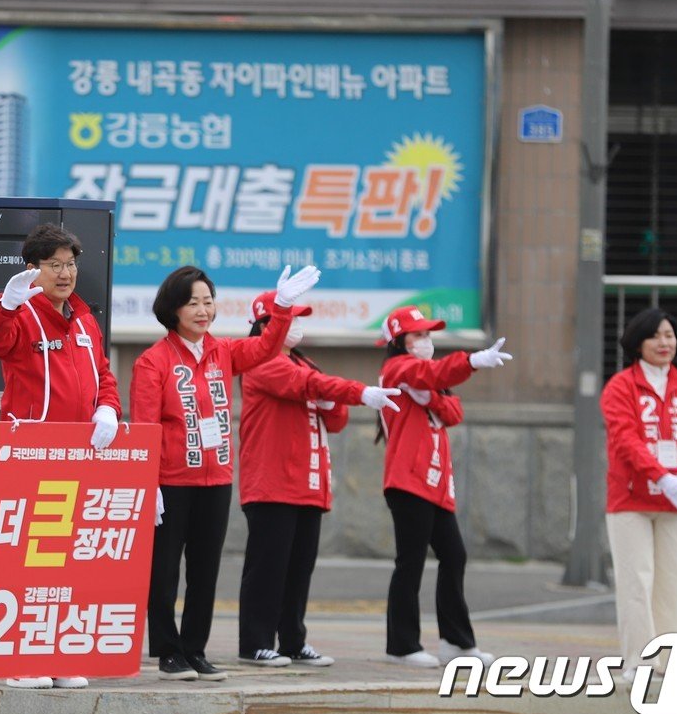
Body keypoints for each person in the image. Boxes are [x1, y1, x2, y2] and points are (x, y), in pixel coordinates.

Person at [131, 264, 319, 681]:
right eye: (192, 302)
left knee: (205, 571)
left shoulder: (224, 352)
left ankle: (195, 649)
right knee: (163, 571)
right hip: (170, 483)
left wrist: (282, 307)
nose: (203, 310)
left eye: (208, 301)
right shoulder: (152, 362)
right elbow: (146, 427)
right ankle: (167, 650)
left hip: (215, 481)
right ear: (173, 309)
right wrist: (148, 484)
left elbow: (267, 347)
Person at [0, 223, 122, 690]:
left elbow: (103, 373)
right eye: (54, 264)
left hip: (77, 455)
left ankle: (56, 654)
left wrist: (109, 410)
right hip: (29, 454)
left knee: (64, 563)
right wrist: (8, 302)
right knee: (25, 560)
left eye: (70, 264)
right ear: (33, 270)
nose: (65, 273)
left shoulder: (82, 318)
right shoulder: (21, 313)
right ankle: (17, 661)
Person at [236, 291, 399, 669]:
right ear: (267, 323)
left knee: (298, 567)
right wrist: (357, 392)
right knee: (268, 567)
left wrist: (334, 399)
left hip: (308, 483)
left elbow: (336, 420)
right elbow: (306, 385)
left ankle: (293, 640)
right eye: (291, 318)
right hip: (272, 481)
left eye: (299, 318)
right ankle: (255, 642)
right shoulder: (262, 358)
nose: (298, 326)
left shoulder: (302, 362)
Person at [376, 305, 511, 668]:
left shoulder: (426, 380)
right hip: (407, 480)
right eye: (418, 335)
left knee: (454, 556)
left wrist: (433, 396)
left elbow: (454, 412)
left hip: (435, 483)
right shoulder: (396, 369)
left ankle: (456, 642)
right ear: (399, 341)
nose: (426, 341)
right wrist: (473, 361)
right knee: (411, 562)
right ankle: (401, 646)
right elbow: (432, 373)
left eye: (428, 335)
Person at [601, 308, 677, 680]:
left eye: (670, 335)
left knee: (671, 584)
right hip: (631, 500)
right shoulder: (620, 386)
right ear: (638, 343)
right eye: (656, 336)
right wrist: (661, 476)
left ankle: (670, 660)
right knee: (637, 582)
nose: (665, 343)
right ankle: (639, 662)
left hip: (673, 500)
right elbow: (625, 440)